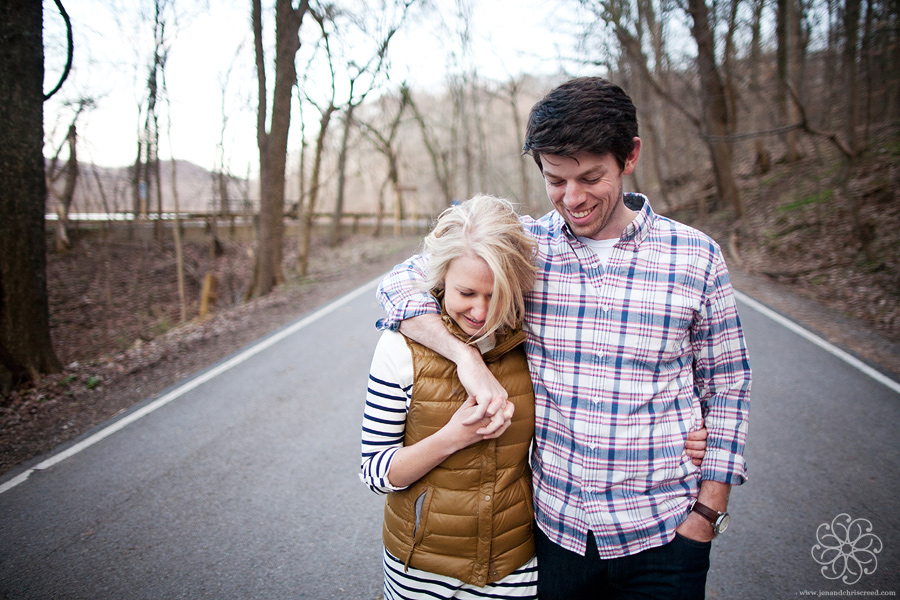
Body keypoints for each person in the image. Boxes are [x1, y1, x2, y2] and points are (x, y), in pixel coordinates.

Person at [375, 77, 751, 599]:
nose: (572, 199)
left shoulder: (697, 257)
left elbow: (727, 386)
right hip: (557, 537)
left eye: (590, 177)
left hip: (665, 534)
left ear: (630, 156)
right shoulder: (526, 251)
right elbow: (400, 284)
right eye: (556, 180)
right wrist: (466, 358)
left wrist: (708, 513)